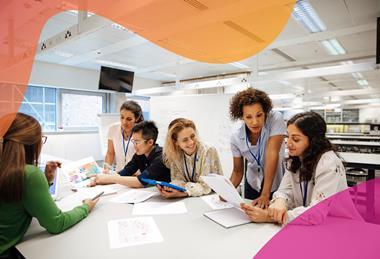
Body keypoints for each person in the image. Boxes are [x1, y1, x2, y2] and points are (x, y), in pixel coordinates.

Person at [0, 113, 98, 259]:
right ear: (32, 143)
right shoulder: (29, 174)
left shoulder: (7, 168)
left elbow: (17, 199)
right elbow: (56, 223)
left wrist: (46, 179)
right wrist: (86, 207)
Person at [241, 112, 348, 225]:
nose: (288, 144)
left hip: (337, 226)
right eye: (288, 137)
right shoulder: (295, 159)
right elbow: (284, 190)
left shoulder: (328, 164)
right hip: (308, 226)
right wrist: (279, 201)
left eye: (296, 139)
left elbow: (317, 213)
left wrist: (270, 216)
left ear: (313, 141)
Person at [229, 87, 286, 207]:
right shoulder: (235, 135)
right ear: (241, 117)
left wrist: (265, 195)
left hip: (275, 181)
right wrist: (226, 192)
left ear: (265, 112)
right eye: (248, 117)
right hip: (253, 182)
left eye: (259, 115)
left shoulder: (275, 119)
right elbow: (237, 171)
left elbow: (272, 154)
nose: (254, 122)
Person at [91, 121, 170, 188]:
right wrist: (99, 179)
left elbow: (140, 181)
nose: (134, 146)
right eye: (133, 141)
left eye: (137, 142)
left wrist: (110, 179)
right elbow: (124, 173)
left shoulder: (161, 157)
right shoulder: (139, 155)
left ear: (150, 142)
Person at [158, 118, 223, 198]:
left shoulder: (208, 150)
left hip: (211, 198)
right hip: (190, 198)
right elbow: (177, 180)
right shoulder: (175, 153)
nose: (191, 142)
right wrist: (170, 187)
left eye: (193, 136)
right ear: (175, 142)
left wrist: (183, 192)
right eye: (185, 140)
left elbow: (205, 186)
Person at [104, 100, 144, 172]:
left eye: (129, 119)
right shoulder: (113, 129)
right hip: (119, 173)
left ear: (136, 118)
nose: (124, 122)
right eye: (122, 117)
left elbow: (144, 157)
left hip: (136, 175)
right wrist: (106, 169)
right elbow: (110, 153)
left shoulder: (142, 132)